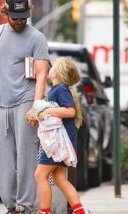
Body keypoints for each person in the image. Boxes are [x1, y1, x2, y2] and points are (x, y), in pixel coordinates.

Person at [0, 0, 49, 214]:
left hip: (25, 101)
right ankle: (11, 205)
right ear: (5, 13)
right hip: (2, 102)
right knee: (0, 161)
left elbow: (41, 74)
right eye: (15, 17)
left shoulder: (36, 38)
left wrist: (36, 106)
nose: (20, 21)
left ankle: (25, 205)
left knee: (26, 156)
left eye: (23, 17)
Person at [34, 57, 88, 214]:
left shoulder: (60, 89)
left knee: (40, 175)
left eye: (53, 66)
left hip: (56, 143)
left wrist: (47, 111)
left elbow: (69, 111)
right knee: (59, 179)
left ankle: (44, 211)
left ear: (56, 72)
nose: (50, 68)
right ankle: (79, 211)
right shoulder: (57, 90)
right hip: (62, 142)